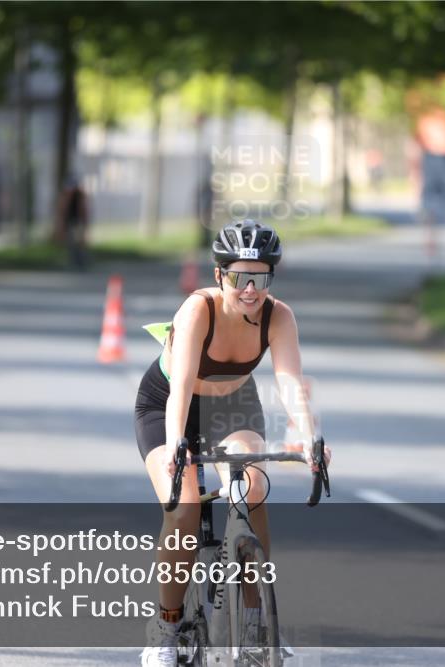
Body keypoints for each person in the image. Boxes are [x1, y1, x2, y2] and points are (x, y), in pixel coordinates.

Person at [135, 219, 329, 667]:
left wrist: (309, 437)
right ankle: (167, 625)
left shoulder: (278, 316)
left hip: (232, 406)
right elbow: (181, 385)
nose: (250, 289)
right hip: (168, 403)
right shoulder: (197, 310)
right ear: (220, 275)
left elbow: (290, 384)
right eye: (240, 277)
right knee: (182, 506)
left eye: (260, 278)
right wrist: (175, 445)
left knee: (253, 487)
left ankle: (259, 623)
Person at [55, 175, 90, 270]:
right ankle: (74, 261)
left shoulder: (80, 196)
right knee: (71, 243)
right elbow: (62, 211)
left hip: (78, 222)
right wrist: (61, 225)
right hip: (70, 222)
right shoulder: (65, 196)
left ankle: (81, 262)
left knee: (80, 242)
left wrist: (85, 224)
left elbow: (84, 210)